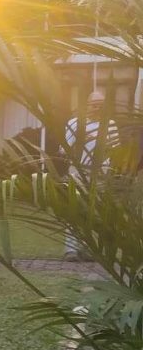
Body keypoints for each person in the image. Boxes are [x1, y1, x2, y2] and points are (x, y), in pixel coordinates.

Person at [64, 91, 118, 261]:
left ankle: (87, 249)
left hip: (101, 173)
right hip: (78, 171)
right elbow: (64, 149)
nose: (97, 107)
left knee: (94, 212)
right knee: (74, 209)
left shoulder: (110, 124)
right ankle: (71, 250)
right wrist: (85, 137)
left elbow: (116, 150)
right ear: (87, 105)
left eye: (101, 104)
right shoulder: (74, 123)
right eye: (94, 104)